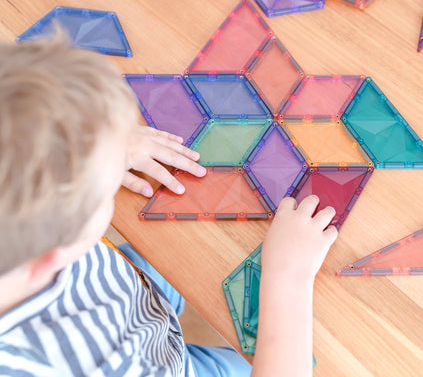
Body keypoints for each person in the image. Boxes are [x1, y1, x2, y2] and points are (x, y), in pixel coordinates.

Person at [0, 38, 337, 377]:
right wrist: (288, 276)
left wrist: (97, 144)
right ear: (51, 257)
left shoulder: (25, 246)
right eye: (104, 191)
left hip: (133, 295)